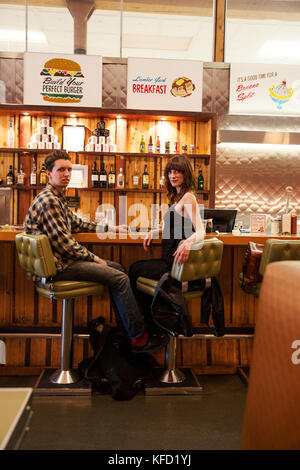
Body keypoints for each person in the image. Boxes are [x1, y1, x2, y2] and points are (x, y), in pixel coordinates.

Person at [24, 150, 168, 353]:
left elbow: (79, 224)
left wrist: (111, 228)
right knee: (119, 278)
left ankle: (128, 331)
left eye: (69, 169)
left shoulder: (57, 197)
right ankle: (138, 338)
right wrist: (94, 258)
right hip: (57, 267)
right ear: (48, 174)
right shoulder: (49, 201)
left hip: (59, 262)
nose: (66, 174)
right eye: (61, 170)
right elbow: (65, 244)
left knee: (118, 269)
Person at [129, 154, 205, 330]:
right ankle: (150, 322)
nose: (173, 175)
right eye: (170, 172)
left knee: (134, 270)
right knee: (136, 270)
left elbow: (201, 231)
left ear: (186, 174)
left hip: (174, 265)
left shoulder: (188, 198)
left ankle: (146, 324)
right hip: (170, 262)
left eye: (178, 172)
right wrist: (155, 232)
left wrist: (188, 243)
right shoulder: (178, 198)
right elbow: (173, 228)